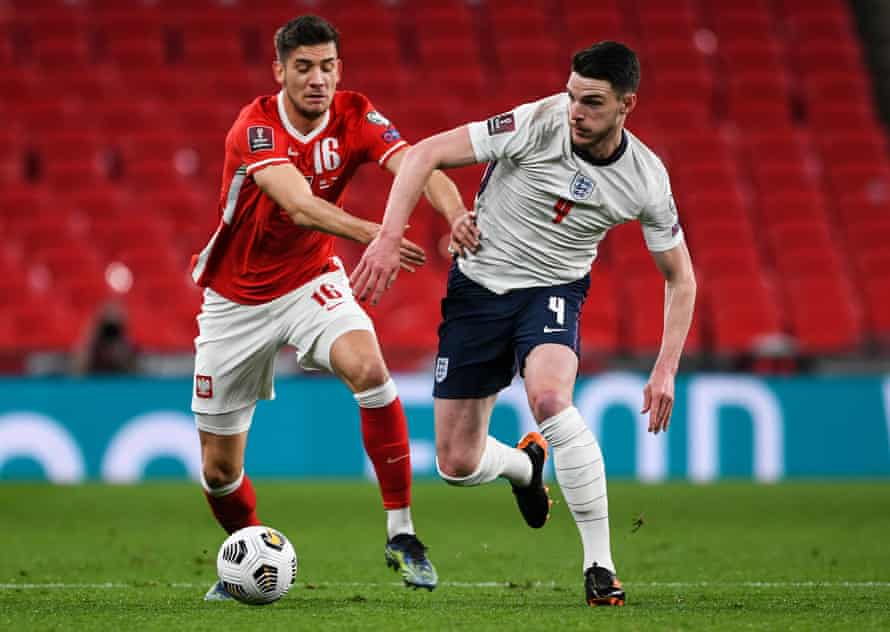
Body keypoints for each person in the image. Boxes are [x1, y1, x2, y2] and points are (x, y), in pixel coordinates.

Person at [352, 41, 697, 607]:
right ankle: (524, 466)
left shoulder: (645, 178)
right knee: (456, 464)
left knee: (550, 400)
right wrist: (389, 238)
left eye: (591, 102)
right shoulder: (536, 122)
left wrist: (665, 370)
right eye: (571, 96)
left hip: (554, 291)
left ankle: (600, 566)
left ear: (626, 105)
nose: (575, 112)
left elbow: (680, 277)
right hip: (478, 290)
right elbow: (421, 155)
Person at [190, 15, 473, 599]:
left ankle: (402, 532)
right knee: (219, 473)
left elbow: (419, 163)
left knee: (370, 370)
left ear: (339, 69)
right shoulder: (256, 128)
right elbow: (299, 205)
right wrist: (380, 233)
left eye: (327, 67)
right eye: (303, 68)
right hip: (235, 299)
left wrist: (458, 215)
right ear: (280, 72)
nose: (317, 79)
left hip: (309, 278)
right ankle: (251, 555)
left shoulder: (356, 114)